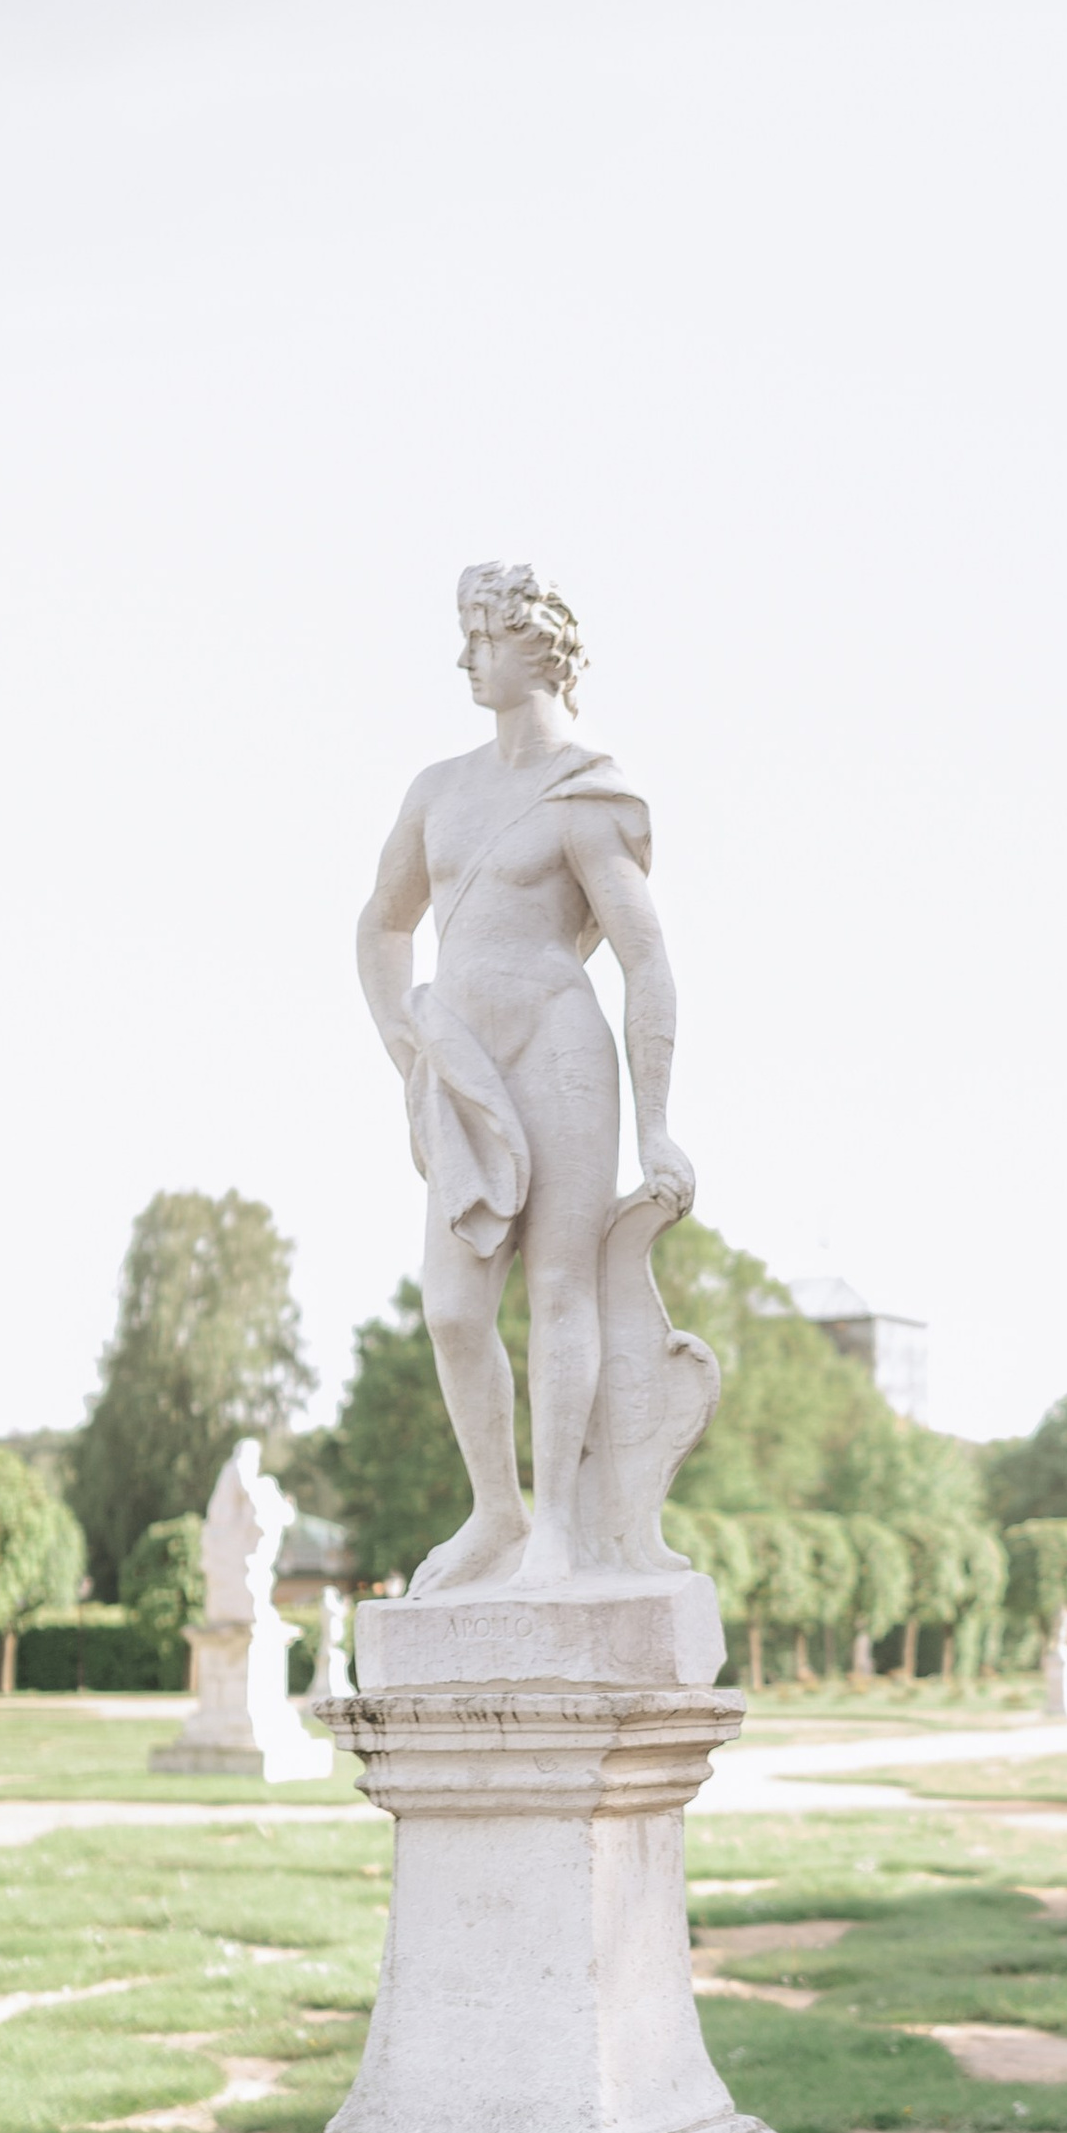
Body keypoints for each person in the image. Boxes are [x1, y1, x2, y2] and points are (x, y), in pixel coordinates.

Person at [355, 563, 696, 1596]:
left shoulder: (585, 791)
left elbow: (646, 958)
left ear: (534, 645)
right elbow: (381, 925)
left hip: (558, 1044)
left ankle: (558, 1528)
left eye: (481, 636)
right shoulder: (439, 791)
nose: (465, 656)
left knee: (559, 1288)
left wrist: (660, 1126)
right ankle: (493, 1513)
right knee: (454, 1309)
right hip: (462, 1059)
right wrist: (403, 1045)